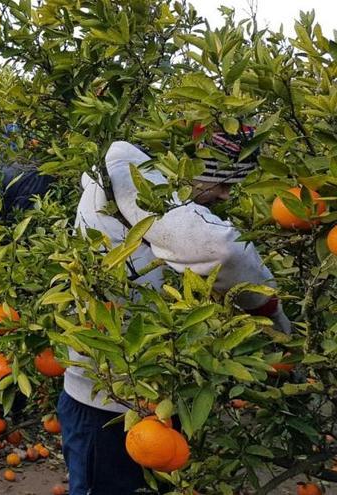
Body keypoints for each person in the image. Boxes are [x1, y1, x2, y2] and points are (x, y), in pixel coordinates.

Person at [60, 127, 291, 494]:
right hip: (106, 407)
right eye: (221, 180)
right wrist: (271, 315)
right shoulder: (128, 172)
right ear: (189, 161)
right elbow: (224, 252)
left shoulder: (138, 187)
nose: (224, 194)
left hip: (151, 401)